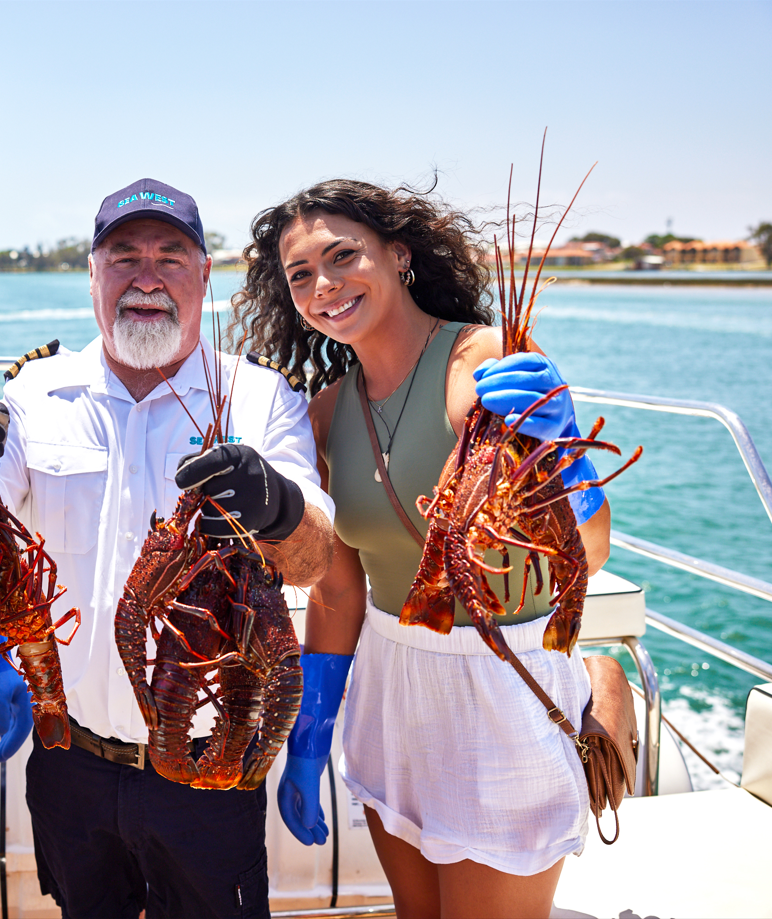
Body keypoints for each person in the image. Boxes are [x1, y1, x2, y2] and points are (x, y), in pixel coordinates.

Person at [0, 178, 336, 919]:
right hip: (69, 758)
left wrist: (274, 505)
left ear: (205, 275)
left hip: (214, 759)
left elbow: (312, 559)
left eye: (171, 257)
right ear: (92, 274)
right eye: (124, 256)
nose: (146, 277)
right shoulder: (35, 393)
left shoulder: (262, 396)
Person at [230, 179, 613, 919]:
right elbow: (339, 592)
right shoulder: (327, 410)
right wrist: (311, 734)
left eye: (344, 256)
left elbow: (589, 551)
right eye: (301, 274)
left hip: (504, 684)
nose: (324, 286)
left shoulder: (488, 358)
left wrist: (567, 449)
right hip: (391, 686)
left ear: (399, 255)